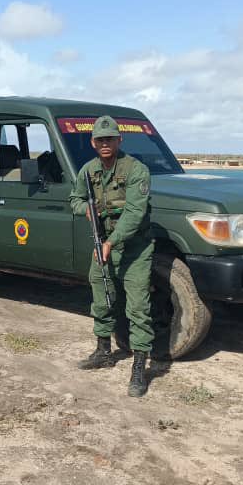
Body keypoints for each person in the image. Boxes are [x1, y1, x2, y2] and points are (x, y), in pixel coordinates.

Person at [69, 115, 155, 397]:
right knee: (101, 298)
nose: (106, 143)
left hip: (134, 249)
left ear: (120, 140)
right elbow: (75, 198)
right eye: (100, 139)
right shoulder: (88, 171)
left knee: (138, 308)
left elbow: (134, 213)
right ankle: (103, 351)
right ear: (93, 143)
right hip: (102, 243)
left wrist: (112, 241)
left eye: (111, 139)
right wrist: (86, 209)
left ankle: (139, 368)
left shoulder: (136, 170)